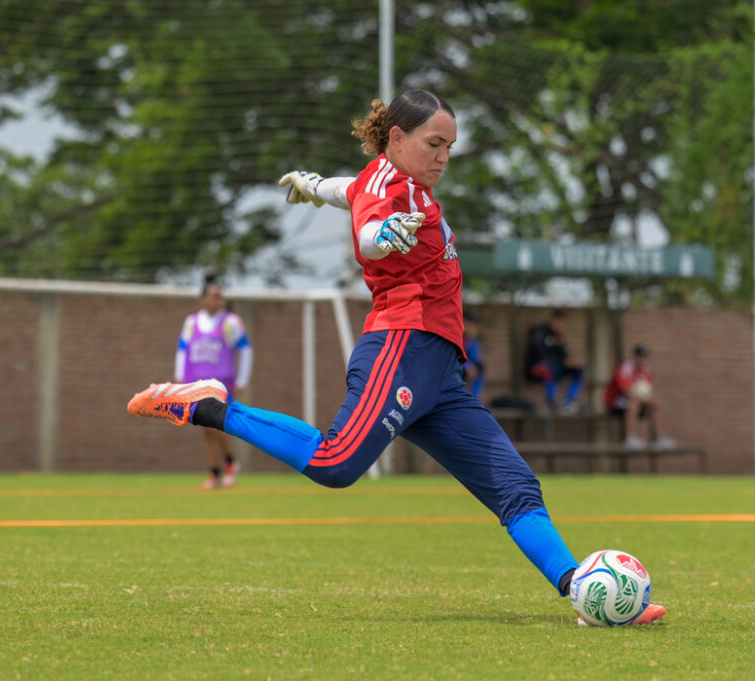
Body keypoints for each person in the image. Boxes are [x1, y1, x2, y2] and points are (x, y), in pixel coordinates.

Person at [127, 90, 663, 624]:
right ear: (398, 138)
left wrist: (314, 186)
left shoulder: (392, 182)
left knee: (515, 488)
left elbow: (350, 189)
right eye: (435, 143)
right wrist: (381, 236)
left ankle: (582, 591)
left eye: (450, 147)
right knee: (334, 464)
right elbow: (368, 232)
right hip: (401, 348)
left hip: (440, 374)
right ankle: (207, 406)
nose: (444, 157)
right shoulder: (392, 187)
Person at [174, 275, 252, 489]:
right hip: (195, 381)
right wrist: (180, 377)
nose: (220, 300)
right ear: (203, 298)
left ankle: (230, 461)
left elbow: (246, 350)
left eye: (221, 296)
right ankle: (215, 472)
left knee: (217, 424)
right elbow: (182, 349)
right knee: (205, 428)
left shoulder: (231, 322)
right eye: (215, 296)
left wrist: (242, 379)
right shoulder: (191, 322)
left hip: (221, 383)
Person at [603, 344, 676, 450]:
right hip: (614, 401)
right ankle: (630, 438)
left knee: (656, 402)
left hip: (637, 400)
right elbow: (627, 392)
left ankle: (659, 438)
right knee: (634, 401)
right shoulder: (625, 368)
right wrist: (645, 398)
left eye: (645, 357)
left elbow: (647, 391)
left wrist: (650, 399)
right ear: (634, 357)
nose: (642, 359)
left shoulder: (646, 370)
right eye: (640, 356)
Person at [524, 310, 585, 414]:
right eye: (559, 323)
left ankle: (569, 403)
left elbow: (563, 356)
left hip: (556, 366)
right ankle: (550, 403)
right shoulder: (540, 333)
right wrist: (562, 361)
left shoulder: (559, 336)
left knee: (578, 370)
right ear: (552, 321)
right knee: (550, 369)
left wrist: (571, 362)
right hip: (536, 367)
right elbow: (540, 354)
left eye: (563, 324)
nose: (561, 326)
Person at [461, 309, 485, 400]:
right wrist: (467, 366)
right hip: (458, 367)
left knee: (480, 367)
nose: (474, 329)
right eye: (471, 326)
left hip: (468, 368)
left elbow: (476, 358)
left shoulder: (471, 341)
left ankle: (474, 399)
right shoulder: (458, 339)